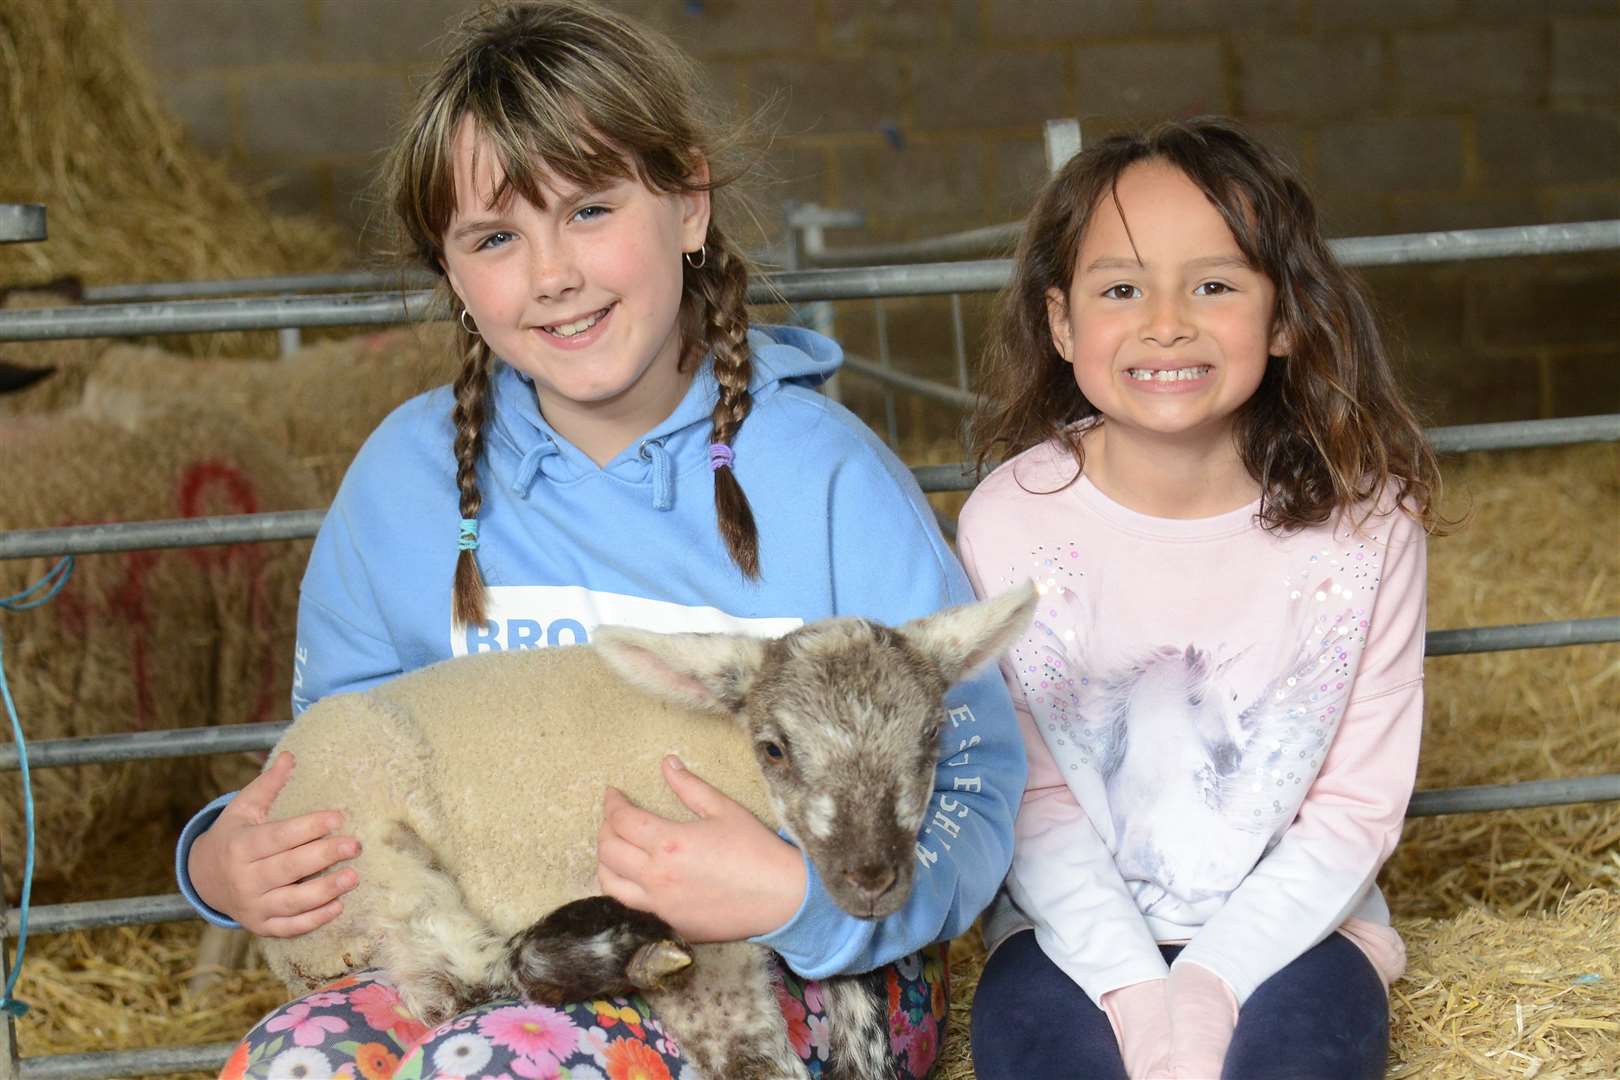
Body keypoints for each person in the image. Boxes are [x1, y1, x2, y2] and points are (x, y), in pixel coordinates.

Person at [173, 4, 1024, 1077]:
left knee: (497, 1062)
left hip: (793, 961)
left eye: (588, 210)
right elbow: (348, 743)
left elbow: (978, 772)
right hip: (501, 942)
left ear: (688, 205)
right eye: (495, 238)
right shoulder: (402, 487)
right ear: (452, 272)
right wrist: (223, 858)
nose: (552, 274)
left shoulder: (826, 479)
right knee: (297, 1061)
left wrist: (804, 899)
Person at [958, 117, 1446, 1080]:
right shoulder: (1007, 524)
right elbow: (1034, 797)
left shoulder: (1368, 526)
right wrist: (1142, 997)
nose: (1166, 321)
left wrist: (1213, 983)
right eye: (1121, 288)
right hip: (1067, 936)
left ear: (1284, 315)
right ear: (1062, 322)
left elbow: (1356, 804)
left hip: (1303, 934)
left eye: (1214, 285)